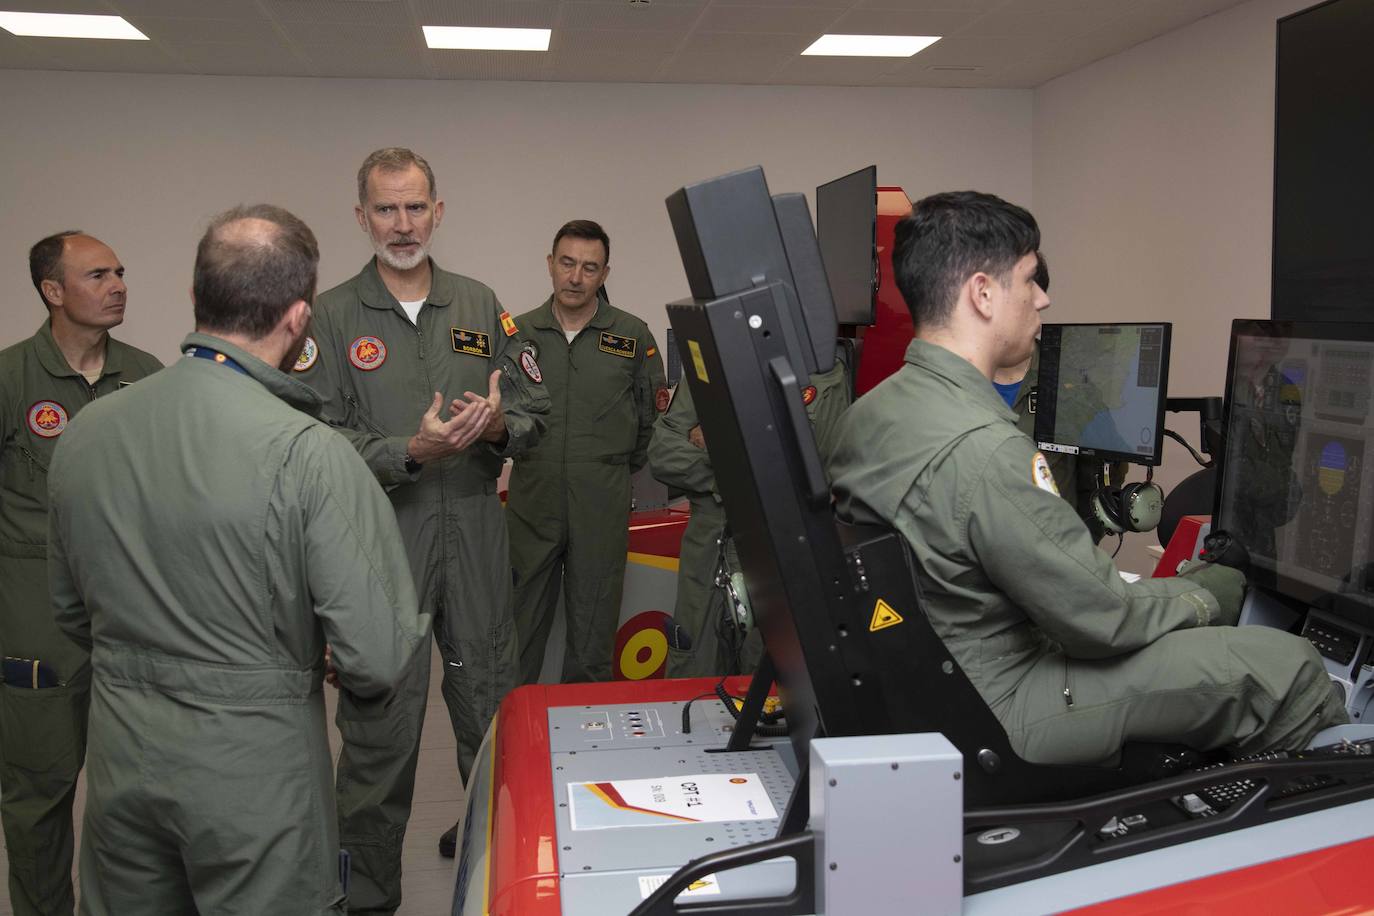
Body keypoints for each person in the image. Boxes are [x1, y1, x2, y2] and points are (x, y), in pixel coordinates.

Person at [826, 190, 1347, 766]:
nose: (1042, 298)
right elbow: (1103, 619)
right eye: (1029, 280)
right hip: (999, 704)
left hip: (930, 685)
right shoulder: (989, 449)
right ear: (982, 293)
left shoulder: (867, 416)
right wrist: (1205, 596)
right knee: (1287, 665)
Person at [46, 205, 428, 915]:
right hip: (256, 778)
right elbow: (376, 656)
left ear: (197, 300)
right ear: (297, 319)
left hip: (122, 759)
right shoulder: (312, 454)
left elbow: (70, 612)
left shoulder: (86, 433)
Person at [294, 147, 548, 896]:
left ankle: (494, 895)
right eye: (385, 209)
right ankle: (366, 904)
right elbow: (315, 441)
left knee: (491, 726)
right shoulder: (331, 315)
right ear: (361, 216)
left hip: (473, 533)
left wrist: (500, 430)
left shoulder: (479, 304)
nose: (402, 225)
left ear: (438, 211)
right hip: (379, 547)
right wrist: (409, 449)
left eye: (414, 208)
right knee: (378, 746)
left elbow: (533, 415)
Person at [0, 231, 161, 916]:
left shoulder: (148, 375)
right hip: (37, 623)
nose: (118, 284)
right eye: (98, 274)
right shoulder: (10, 380)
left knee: (144, 795)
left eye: (120, 271)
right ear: (53, 290)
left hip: (134, 618)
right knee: (39, 794)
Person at [507, 220, 667, 684]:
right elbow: (500, 416)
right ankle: (515, 732)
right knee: (519, 627)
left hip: (601, 501)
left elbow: (649, 421)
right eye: (568, 263)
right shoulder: (517, 335)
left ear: (605, 273)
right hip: (532, 502)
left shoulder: (632, 336)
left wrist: (606, 467)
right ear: (551, 265)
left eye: (590, 268)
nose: (576, 277)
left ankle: (586, 732)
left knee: (594, 630)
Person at [649, 353, 850, 678]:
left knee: (769, 686)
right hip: (707, 556)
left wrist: (713, 442)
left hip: (778, 556)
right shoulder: (710, 366)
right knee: (692, 671)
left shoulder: (822, 371)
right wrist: (727, 476)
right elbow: (662, 452)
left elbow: (816, 471)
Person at [991, 252, 1124, 543]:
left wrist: (1076, 552)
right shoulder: (951, 383)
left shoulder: (1069, 382)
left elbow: (1103, 479)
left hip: (1047, 562)